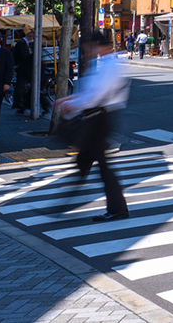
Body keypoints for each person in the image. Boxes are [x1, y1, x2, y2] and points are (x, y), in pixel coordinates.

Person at [56, 31, 129, 221]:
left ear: (104, 47)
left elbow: (97, 96)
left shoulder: (111, 66)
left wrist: (72, 104)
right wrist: (71, 100)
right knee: (87, 162)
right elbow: (91, 93)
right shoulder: (104, 65)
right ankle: (62, 205)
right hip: (97, 118)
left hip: (101, 119)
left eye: (93, 47)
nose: (91, 51)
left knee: (99, 165)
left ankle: (117, 208)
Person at [13, 31, 34, 114]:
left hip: (20, 66)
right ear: (30, 37)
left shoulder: (21, 42)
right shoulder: (22, 43)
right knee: (21, 85)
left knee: (21, 84)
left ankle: (18, 102)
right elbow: (23, 56)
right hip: (21, 67)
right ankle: (18, 102)